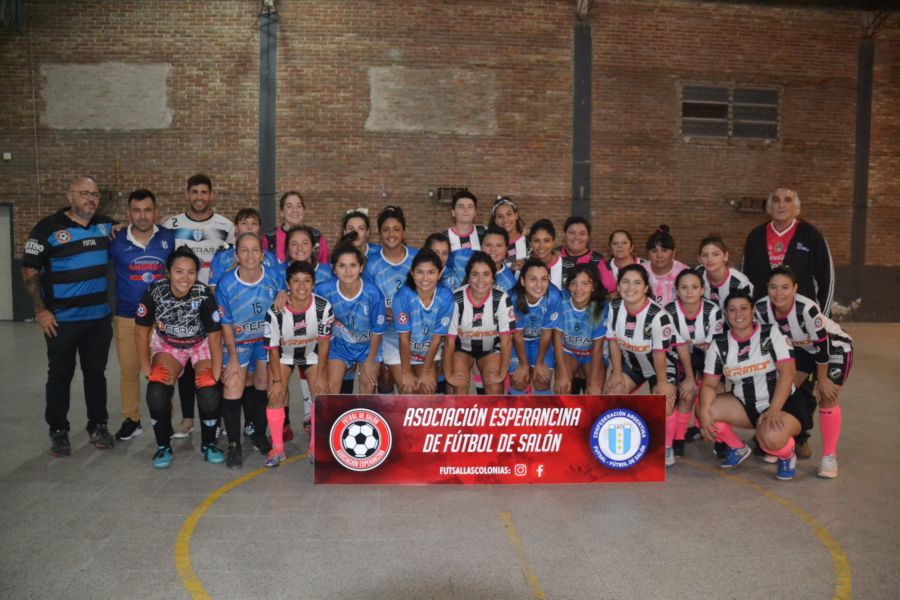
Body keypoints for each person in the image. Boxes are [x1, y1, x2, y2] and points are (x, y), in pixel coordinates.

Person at [22, 176, 117, 456]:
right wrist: (40, 310)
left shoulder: (105, 225)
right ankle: (58, 431)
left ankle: (98, 425)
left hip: (98, 320)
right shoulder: (47, 228)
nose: (91, 199)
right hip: (61, 321)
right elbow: (29, 270)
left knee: (96, 375)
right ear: (69, 196)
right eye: (84, 193)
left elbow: (126, 231)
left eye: (95, 194)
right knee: (60, 376)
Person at [698, 290, 809, 481]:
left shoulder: (770, 333)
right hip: (745, 403)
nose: (738, 314)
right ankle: (737, 448)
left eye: (743, 308)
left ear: (753, 312)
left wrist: (774, 409)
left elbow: (788, 372)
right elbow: (709, 384)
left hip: (783, 404)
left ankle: (786, 456)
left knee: (770, 438)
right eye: (732, 310)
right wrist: (702, 413)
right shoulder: (720, 345)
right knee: (706, 410)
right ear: (725, 314)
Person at [756, 266, 853, 478]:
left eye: (785, 287)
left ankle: (829, 457)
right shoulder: (761, 308)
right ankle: (781, 440)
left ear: (795, 288)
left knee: (827, 396)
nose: (779, 293)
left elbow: (822, 345)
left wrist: (822, 378)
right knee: (784, 390)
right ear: (767, 288)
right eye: (773, 287)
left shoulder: (806, 309)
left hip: (833, 348)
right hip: (801, 350)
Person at [134, 246, 225, 469]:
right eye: (179, 272)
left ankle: (209, 443)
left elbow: (214, 337)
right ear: (168, 272)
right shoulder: (154, 291)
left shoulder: (203, 294)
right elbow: (140, 332)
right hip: (169, 345)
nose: (185, 278)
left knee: (209, 391)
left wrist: (214, 375)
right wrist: (148, 371)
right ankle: (163, 445)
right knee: (156, 391)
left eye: (191, 272)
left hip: (200, 344)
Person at [162, 174, 234, 439]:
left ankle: (214, 417)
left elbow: (233, 262)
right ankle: (187, 418)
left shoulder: (225, 226)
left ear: (211, 195)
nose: (199, 197)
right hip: (181, 305)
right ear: (188, 194)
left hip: (212, 304)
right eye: (195, 192)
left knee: (213, 360)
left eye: (204, 192)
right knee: (185, 363)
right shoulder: (171, 224)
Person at [108, 189, 175, 442]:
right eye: (137, 210)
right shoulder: (115, 240)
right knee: (129, 370)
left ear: (155, 211)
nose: (143, 215)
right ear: (129, 213)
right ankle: (131, 419)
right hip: (127, 317)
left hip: (162, 317)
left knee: (163, 370)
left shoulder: (169, 238)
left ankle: (165, 418)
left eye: (147, 210)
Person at [216, 233, 282, 469]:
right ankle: (234, 444)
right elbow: (225, 323)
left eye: (255, 250)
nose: (250, 255)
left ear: (263, 255)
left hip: (264, 342)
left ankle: (257, 431)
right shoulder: (227, 283)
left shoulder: (274, 277)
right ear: (236, 255)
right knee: (233, 383)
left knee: (264, 383)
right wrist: (232, 357)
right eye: (244, 250)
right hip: (239, 342)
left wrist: (284, 294)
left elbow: (286, 297)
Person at [603, 264, 678, 465]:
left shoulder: (659, 316)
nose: (630, 287)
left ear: (646, 288)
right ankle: (617, 444)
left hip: (659, 366)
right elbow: (612, 342)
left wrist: (662, 383)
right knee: (612, 392)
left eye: (637, 283)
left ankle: (667, 446)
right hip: (632, 364)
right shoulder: (614, 308)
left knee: (664, 402)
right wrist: (616, 373)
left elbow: (660, 353)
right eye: (625, 282)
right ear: (618, 286)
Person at [264, 261, 333, 467]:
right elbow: (273, 349)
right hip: (284, 355)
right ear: (288, 284)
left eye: (306, 281)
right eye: (296, 281)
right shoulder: (275, 311)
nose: (301, 286)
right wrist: (277, 381)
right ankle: (277, 447)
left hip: (311, 354)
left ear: (313, 284)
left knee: (320, 393)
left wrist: (321, 376)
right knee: (275, 394)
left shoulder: (323, 308)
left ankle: (314, 445)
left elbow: (324, 344)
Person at [742, 187, 834, 314]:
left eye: (787, 200)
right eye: (776, 200)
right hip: (764, 315)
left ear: (795, 207)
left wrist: (822, 317)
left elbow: (826, 278)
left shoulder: (811, 235)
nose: (781, 205)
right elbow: (746, 278)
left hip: (801, 315)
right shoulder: (756, 236)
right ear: (769, 207)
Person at [664, 269, 724, 457]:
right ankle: (678, 438)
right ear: (677, 291)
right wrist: (690, 378)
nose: (689, 291)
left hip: (707, 356)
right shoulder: (669, 311)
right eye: (684, 287)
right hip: (677, 356)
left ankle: (720, 439)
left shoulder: (712, 311)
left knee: (716, 394)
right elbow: (676, 347)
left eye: (694, 287)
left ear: (702, 290)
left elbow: (713, 348)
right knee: (687, 394)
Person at [315, 244, 386, 394]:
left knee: (368, 385)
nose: (348, 271)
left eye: (353, 265)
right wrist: (284, 293)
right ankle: (334, 417)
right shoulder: (323, 290)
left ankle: (363, 417)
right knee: (331, 388)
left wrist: (371, 360)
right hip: (339, 345)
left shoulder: (372, 293)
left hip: (367, 346)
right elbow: (302, 301)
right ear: (334, 269)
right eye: (342, 265)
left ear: (361, 268)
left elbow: (378, 331)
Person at [443, 252, 514, 395]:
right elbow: (449, 341)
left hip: (490, 348)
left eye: (486, 274)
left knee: (495, 386)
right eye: (475, 274)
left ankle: (492, 417)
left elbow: (506, 341)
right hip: (461, 349)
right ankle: (459, 416)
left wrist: (501, 374)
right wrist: (449, 374)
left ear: (493, 277)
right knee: (459, 386)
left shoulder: (501, 299)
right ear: (468, 277)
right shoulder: (456, 299)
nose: (480, 280)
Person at [366, 206, 418, 393]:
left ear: (403, 231)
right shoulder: (372, 264)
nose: (391, 234)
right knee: (385, 380)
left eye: (396, 229)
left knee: (413, 387)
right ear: (379, 233)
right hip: (384, 331)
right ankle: (387, 419)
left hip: (415, 330)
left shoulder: (416, 257)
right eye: (386, 229)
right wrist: (391, 313)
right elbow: (370, 301)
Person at [392, 249, 455, 394]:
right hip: (400, 345)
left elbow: (437, 337)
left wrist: (427, 370)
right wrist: (406, 371)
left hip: (426, 346)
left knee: (426, 390)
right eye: (420, 272)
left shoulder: (445, 296)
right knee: (408, 389)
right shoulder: (403, 296)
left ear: (439, 274)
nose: (425, 278)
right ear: (412, 274)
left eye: (431, 272)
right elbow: (403, 338)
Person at [552, 263, 607, 395]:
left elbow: (598, 347)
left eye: (585, 284)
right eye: (574, 283)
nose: (578, 289)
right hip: (568, 352)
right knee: (562, 388)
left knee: (594, 393)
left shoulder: (600, 307)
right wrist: (563, 375)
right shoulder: (561, 299)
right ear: (568, 285)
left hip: (591, 354)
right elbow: (557, 338)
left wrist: (593, 382)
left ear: (593, 287)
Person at [509, 259, 560, 395]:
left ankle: (541, 414)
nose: (539, 285)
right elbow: (517, 335)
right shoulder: (513, 297)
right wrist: (523, 364)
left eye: (544, 279)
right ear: (523, 281)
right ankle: (516, 413)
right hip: (518, 341)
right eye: (533, 279)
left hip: (540, 340)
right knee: (519, 380)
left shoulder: (553, 296)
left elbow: (547, 333)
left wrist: (540, 362)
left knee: (542, 380)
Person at [208, 208, 278, 291]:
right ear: (236, 227)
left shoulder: (270, 257)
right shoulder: (221, 257)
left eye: (254, 223)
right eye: (244, 223)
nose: (249, 227)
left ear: (259, 228)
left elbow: (279, 286)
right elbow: (213, 288)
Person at [263, 191, 329, 265]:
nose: (295, 210)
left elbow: (324, 267)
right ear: (281, 212)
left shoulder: (316, 236)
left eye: (299, 206)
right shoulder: (269, 238)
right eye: (289, 206)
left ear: (303, 210)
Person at [696, 234, 753, 312]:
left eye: (716, 254)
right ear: (700, 259)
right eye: (705, 255)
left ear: (725, 256)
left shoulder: (740, 283)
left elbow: (747, 313)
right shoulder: (698, 273)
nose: (710, 259)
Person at [645, 225, 688, 307]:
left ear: (674, 252)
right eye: (654, 251)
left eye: (664, 250)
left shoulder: (684, 273)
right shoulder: (640, 272)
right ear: (648, 253)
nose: (659, 255)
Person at [559, 216, 604, 287]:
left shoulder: (597, 261)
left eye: (582, 234)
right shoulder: (554, 256)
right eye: (572, 233)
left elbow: (611, 291)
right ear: (564, 235)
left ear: (588, 237)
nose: (577, 237)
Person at [598, 229, 643, 295]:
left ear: (632, 247)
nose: (620, 246)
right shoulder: (603, 268)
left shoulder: (645, 266)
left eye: (624, 243)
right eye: (615, 243)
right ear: (610, 248)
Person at [491, 196, 528, 271]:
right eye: (500, 216)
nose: (505, 220)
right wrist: (510, 269)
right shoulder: (490, 245)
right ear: (495, 220)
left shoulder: (529, 241)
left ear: (516, 215)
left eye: (509, 214)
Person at [527, 219, 563, 289]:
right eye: (536, 241)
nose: (541, 246)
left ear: (553, 242)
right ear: (530, 243)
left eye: (546, 241)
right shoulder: (522, 266)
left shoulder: (567, 266)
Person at [481, 225, 518, 293]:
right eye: (488, 245)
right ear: (481, 247)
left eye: (499, 245)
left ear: (506, 249)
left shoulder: (510, 282)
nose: (493, 249)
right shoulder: (470, 270)